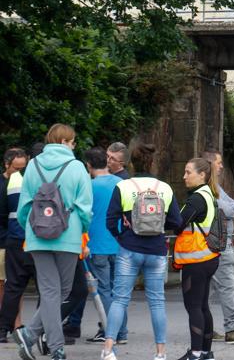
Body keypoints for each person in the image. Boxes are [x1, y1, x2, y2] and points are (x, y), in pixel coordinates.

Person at [12, 124, 93, 360]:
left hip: (37, 236)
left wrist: (33, 227)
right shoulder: (77, 167)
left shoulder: (33, 166)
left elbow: (23, 208)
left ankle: (30, 335)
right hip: (68, 235)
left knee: (50, 291)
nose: (74, 145)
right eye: (73, 141)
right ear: (66, 141)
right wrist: (82, 229)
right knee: (63, 290)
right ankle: (54, 346)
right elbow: (85, 207)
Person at [101, 142, 182, 360]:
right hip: (156, 250)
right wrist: (157, 226)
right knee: (157, 302)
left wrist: (122, 235)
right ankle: (160, 352)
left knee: (119, 299)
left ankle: (108, 349)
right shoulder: (165, 188)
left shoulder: (124, 186)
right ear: (152, 161)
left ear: (131, 163)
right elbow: (177, 221)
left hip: (129, 248)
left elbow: (110, 221)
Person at [201, 151, 234, 344]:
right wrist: (230, 207)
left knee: (207, 289)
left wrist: (230, 206)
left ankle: (205, 328)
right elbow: (229, 208)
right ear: (210, 165)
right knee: (226, 287)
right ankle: (232, 329)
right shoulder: (207, 190)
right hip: (220, 244)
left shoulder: (215, 187)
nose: (222, 166)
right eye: (219, 162)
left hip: (214, 243)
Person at [76, 147, 127, 343]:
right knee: (119, 290)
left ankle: (112, 332)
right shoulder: (120, 183)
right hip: (119, 243)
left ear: (88, 165)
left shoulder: (89, 186)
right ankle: (122, 331)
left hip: (96, 245)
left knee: (104, 290)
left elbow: (84, 215)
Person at [173, 158, 221, 360]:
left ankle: (194, 353)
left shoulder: (196, 199)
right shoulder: (209, 194)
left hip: (196, 259)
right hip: (208, 257)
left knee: (193, 306)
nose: (184, 176)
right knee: (202, 306)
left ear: (202, 175)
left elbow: (178, 223)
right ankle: (206, 352)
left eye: (188, 172)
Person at [0, 148, 29, 342]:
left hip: (15, 240)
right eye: (16, 168)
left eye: (23, 168)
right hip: (4, 240)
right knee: (4, 285)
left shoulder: (24, 182)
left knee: (13, 284)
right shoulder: (2, 184)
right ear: (6, 164)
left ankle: (16, 324)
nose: (19, 173)